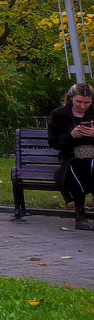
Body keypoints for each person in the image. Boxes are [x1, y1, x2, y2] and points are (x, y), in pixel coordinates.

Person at [48, 82, 94, 230]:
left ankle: (82, 213)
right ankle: (80, 213)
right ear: (71, 98)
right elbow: (53, 142)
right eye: (79, 101)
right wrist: (71, 136)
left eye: (87, 102)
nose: (82, 106)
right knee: (77, 167)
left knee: (91, 165)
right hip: (71, 157)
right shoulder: (60, 114)